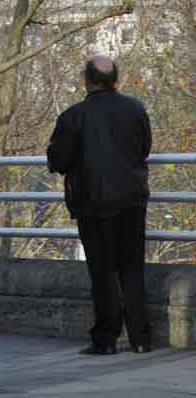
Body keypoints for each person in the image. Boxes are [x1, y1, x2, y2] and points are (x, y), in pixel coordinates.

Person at [47, 56, 153, 355]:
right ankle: (141, 338)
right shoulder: (135, 109)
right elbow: (144, 148)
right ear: (115, 80)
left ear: (88, 80)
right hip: (132, 199)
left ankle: (106, 339)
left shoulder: (74, 116)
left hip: (92, 201)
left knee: (102, 269)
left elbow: (58, 160)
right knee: (132, 267)